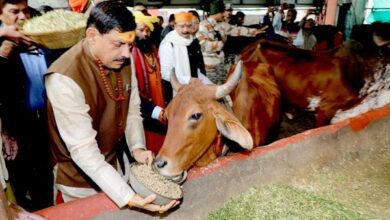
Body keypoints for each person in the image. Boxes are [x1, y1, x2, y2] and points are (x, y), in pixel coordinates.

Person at [45, 1, 178, 213]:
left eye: (130, 45)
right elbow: (84, 152)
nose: (127, 54)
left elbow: (132, 111)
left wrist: (137, 147)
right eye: (118, 44)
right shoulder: (63, 78)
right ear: (91, 36)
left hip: (117, 168)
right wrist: (127, 196)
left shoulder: (123, 58)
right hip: (79, 187)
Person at [0, 0, 54, 211]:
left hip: (45, 126)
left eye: (26, 11)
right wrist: (4, 52)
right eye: (14, 12)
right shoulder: (3, 49)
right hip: (16, 133)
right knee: (20, 193)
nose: (22, 17)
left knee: (46, 186)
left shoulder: (41, 43)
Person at [197, 0, 266, 84]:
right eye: (223, 12)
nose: (226, 15)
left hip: (221, 62)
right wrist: (221, 43)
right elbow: (203, 45)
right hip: (209, 65)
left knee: (222, 87)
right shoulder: (203, 25)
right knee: (212, 89)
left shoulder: (222, 24)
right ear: (218, 12)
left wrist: (253, 31)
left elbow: (235, 29)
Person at [132, 11, 166, 154]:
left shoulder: (152, 48)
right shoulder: (130, 52)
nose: (145, 34)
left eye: (147, 30)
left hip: (158, 100)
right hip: (143, 105)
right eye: (141, 30)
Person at [159, 12, 211, 92]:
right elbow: (165, 73)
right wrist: (188, 80)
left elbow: (195, 69)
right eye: (182, 26)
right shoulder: (169, 44)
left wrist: (209, 84)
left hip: (192, 90)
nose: (185, 30)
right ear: (175, 25)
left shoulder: (191, 42)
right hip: (175, 92)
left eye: (189, 26)